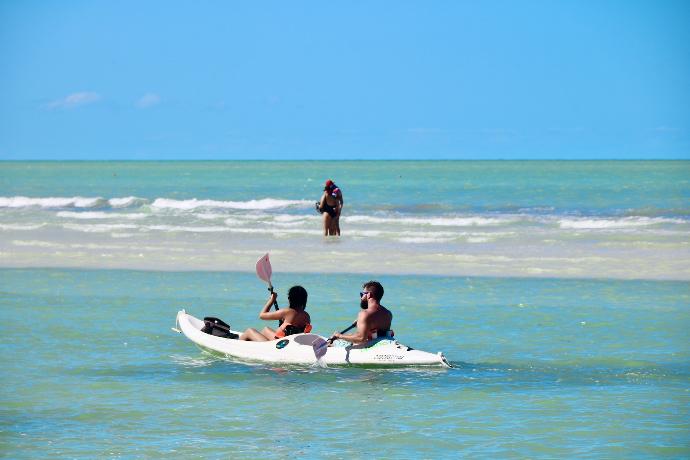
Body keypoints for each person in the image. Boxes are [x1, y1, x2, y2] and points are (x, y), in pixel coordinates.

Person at [239, 285, 312, 341]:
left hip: (278, 346)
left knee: (249, 331)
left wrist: (271, 300)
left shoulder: (287, 312)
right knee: (265, 329)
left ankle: (237, 346)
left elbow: (262, 315)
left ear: (290, 299)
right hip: (289, 343)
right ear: (304, 300)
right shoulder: (306, 316)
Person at [330, 280, 392, 345]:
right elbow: (376, 332)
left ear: (369, 295)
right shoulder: (388, 313)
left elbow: (361, 339)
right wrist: (363, 322)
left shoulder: (365, 314)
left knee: (333, 343)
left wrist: (339, 336)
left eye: (362, 294)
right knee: (350, 334)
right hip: (382, 344)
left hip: (369, 347)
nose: (361, 297)